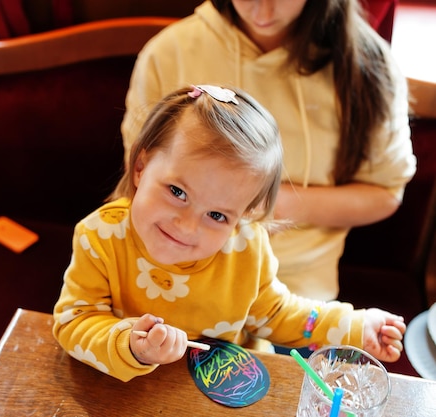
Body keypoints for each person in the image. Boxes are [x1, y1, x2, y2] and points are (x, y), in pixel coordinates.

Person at [52, 85, 405, 382]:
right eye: (177, 192)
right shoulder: (99, 237)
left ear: (243, 216)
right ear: (141, 167)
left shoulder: (246, 247)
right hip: (129, 391)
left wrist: (355, 326)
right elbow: (73, 322)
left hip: (230, 386)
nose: (187, 225)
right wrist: (130, 344)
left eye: (217, 215)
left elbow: (278, 313)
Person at [120, 0, 416, 301]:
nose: (262, 12)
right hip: (171, 274)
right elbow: (139, 176)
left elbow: (386, 192)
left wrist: (268, 204)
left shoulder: (368, 65)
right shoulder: (170, 51)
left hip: (295, 290)